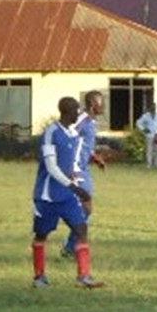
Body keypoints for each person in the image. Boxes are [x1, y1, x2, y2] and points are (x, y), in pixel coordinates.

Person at [30, 96, 104, 289]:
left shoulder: (72, 133)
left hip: (67, 196)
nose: (78, 114)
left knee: (81, 229)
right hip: (47, 196)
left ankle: (84, 276)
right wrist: (76, 188)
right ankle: (39, 277)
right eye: (75, 111)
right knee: (41, 235)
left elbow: (73, 159)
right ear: (66, 112)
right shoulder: (51, 133)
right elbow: (52, 167)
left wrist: (93, 158)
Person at [62, 90, 106, 258]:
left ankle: (73, 246)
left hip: (84, 168)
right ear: (93, 104)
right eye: (102, 103)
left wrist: (95, 157)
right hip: (75, 169)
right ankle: (74, 245)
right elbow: (66, 135)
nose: (104, 106)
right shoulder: (81, 120)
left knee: (86, 208)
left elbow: (84, 144)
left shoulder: (92, 122)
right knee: (86, 206)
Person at [136, 102, 157, 168]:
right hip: (149, 135)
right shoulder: (146, 116)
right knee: (149, 150)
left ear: (156, 107)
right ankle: (148, 164)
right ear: (149, 108)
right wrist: (144, 129)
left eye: (154, 106)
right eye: (152, 107)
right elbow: (138, 123)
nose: (153, 108)